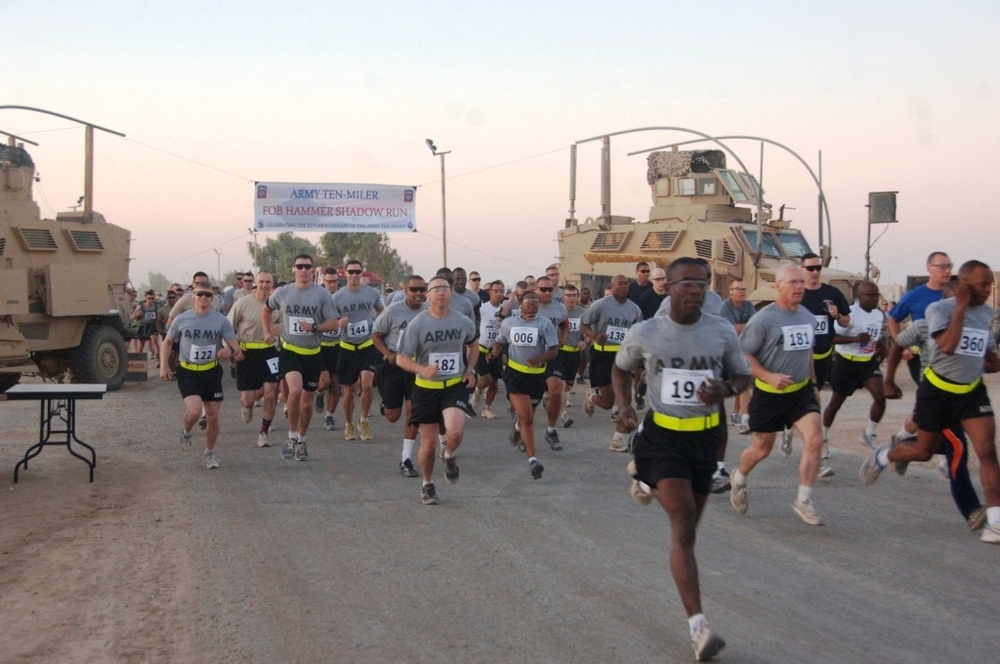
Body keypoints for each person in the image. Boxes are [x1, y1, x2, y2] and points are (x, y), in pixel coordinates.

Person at [614, 257, 750, 662]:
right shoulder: (647, 332)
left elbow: (743, 376)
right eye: (686, 283)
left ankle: (643, 477)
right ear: (668, 287)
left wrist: (725, 389)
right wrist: (625, 405)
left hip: (704, 439)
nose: (695, 290)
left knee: (686, 534)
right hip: (663, 437)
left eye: (702, 283)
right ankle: (698, 627)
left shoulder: (720, 331)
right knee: (683, 514)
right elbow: (620, 368)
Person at [861, 260, 1000, 543]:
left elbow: (987, 358)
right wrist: (960, 308)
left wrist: (991, 359)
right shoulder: (939, 310)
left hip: (971, 391)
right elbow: (947, 346)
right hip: (938, 392)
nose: (989, 289)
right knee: (924, 451)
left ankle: (995, 522)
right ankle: (885, 456)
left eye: (991, 284)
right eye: (983, 284)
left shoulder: (987, 313)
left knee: (987, 450)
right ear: (965, 286)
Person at [883, 279, 986, 530]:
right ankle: (972, 510)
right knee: (957, 446)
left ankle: (903, 447)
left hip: (966, 395)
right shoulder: (925, 324)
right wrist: (889, 380)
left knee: (932, 446)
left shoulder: (973, 324)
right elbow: (899, 344)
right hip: (937, 396)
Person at [731, 264, 826, 526]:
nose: (799, 287)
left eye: (801, 282)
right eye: (793, 282)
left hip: (800, 392)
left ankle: (803, 500)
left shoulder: (807, 317)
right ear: (778, 286)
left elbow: (807, 353)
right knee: (762, 449)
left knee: (815, 439)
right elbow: (743, 354)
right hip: (769, 394)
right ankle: (739, 477)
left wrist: (814, 385)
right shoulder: (763, 319)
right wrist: (768, 376)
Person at [395, 276, 479, 505]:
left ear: (451, 294)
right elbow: (401, 358)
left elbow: (473, 344)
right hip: (426, 388)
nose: (441, 292)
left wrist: (470, 369)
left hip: (454, 386)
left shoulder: (462, 321)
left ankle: (449, 454)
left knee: (455, 431)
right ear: (428, 295)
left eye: (445, 288)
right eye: (436, 289)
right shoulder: (418, 324)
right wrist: (421, 369)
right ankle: (427, 484)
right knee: (429, 444)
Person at [263, 254, 340, 461]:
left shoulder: (322, 294)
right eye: (300, 266)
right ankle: (291, 437)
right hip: (290, 351)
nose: (303, 270)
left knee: (307, 404)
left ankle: (302, 440)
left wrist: (315, 327)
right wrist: (268, 331)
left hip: (313, 354)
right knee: (295, 391)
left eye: (307, 267)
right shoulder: (283, 292)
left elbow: (333, 322)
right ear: (294, 269)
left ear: (313, 270)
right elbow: (266, 309)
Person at [160, 283, 243, 469]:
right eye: (200, 295)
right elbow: (167, 342)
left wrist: (229, 351)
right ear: (193, 296)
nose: (204, 298)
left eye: (207, 295)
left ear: (212, 298)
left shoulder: (220, 320)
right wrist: (164, 365)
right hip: (188, 370)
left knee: (213, 417)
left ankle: (209, 453)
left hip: (211, 371)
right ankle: (186, 432)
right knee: (195, 411)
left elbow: (235, 346)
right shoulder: (182, 319)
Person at [491, 289, 559, 479]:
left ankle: (517, 428)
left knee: (526, 417)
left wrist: (540, 358)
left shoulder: (544, 323)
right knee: (528, 418)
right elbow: (499, 341)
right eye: (529, 300)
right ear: (520, 304)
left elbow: (554, 350)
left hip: (537, 377)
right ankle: (533, 461)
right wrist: (495, 353)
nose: (533, 304)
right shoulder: (510, 323)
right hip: (515, 375)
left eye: (536, 301)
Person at [580, 274, 644, 452]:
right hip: (602, 356)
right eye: (620, 284)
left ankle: (618, 440)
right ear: (612, 286)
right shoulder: (601, 304)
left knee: (625, 402)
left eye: (626, 284)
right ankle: (592, 397)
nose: (624, 286)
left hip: (622, 358)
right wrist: (595, 336)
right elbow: (583, 324)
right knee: (608, 402)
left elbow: (638, 333)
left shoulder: (635, 310)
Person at [821, 281, 887, 450]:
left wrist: (881, 346)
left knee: (880, 397)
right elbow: (832, 338)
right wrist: (854, 339)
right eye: (870, 296)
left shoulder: (878, 315)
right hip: (847, 362)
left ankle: (869, 434)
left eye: (876, 296)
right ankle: (823, 438)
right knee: (835, 404)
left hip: (867, 362)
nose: (875, 299)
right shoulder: (849, 314)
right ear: (859, 297)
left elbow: (875, 336)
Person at [372, 275, 427, 477]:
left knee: (413, 411)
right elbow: (376, 335)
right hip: (394, 366)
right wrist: (388, 355)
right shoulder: (393, 311)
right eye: (414, 289)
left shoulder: (429, 312)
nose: (418, 293)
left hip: (416, 367)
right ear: (406, 291)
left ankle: (406, 459)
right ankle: (386, 404)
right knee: (393, 416)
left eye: (422, 289)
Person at [331, 259, 385, 441]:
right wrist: (339, 322)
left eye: (357, 272)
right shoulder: (337, 297)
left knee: (367, 385)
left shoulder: (371, 292)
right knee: (349, 390)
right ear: (345, 274)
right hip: (347, 347)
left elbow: (381, 311)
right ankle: (349, 424)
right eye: (351, 272)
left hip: (367, 345)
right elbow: (330, 320)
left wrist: (378, 325)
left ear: (362, 273)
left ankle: (364, 420)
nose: (354, 275)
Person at [228, 270, 281, 447]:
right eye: (262, 282)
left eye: (268, 282)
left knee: (271, 395)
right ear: (256, 283)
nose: (265, 285)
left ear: (272, 284)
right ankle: (247, 406)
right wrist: (233, 349)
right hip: (247, 353)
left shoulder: (277, 305)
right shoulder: (243, 303)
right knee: (248, 399)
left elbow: (285, 325)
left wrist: (279, 328)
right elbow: (227, 328)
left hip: (270, 353)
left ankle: (263, 433)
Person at [886, 252, 953, 388]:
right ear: (929, 268)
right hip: (921, 357)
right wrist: (903, 346)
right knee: (931, 392)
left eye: (949, 266)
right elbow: (892, 319)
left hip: (949, 355)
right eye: (942, 266)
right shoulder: (914, 296)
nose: (947, 271)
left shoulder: (956, 294)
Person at [719, 279, 756, 434]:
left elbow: (756, 326)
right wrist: (747, 326)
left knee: (743, 383)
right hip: (724, 352)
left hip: (741, 351)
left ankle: (743, 420)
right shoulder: (725, 307)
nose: (743, 292)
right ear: (731, 291)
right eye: (739, 289)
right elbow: (731, 330)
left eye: (744, 289)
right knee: (723, 386)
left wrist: (743, 327)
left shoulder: (748, 306)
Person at [553, 284, 587, 428]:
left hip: (574, 353)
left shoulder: (583, 313)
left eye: (574, 295)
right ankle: (563, 414)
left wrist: (585, 341)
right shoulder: (558, 312)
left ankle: (551, 396)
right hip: (559, 352)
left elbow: (589, 331)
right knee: (561, 385)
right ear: (563, 297)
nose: (572, 298)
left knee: (568, 385)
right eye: (568, 295)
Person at [471, 280, 506, 419]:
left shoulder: (505, 310)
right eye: (496, 291)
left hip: (497, 349)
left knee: (495, 381)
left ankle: (487, 408)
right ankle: (477, 391)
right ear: (490, 292)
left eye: (501, 291)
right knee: (486, 378)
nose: (499, 294)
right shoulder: (483, 308)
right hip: (482, 348)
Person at [315, 267, 343, 431]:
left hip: (338, 347)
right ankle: (318, 393)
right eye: (329, 281)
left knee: (335, 386)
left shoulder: (342, 298)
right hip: (321, 347)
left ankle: (329, 417)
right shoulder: (318, 297)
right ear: (323, 282)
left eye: (335, 281)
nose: (332, 285)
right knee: (325, 381)